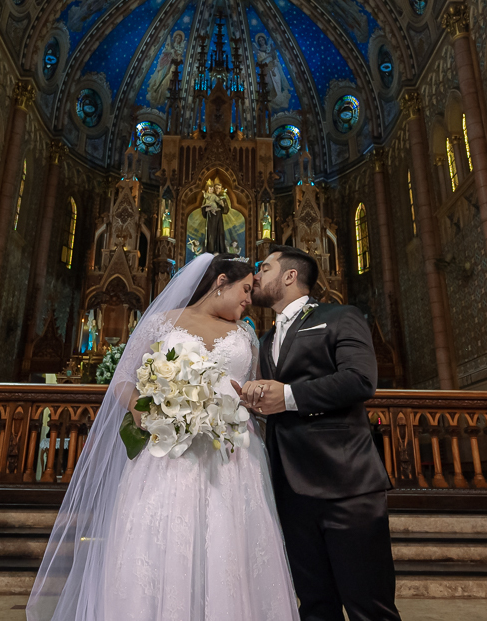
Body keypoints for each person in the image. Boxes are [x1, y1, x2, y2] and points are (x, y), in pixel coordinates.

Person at [26, 253, 299, 621]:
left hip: (230, 456)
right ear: (220, 282)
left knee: (228, 548)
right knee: (162, 544)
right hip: (168, 455)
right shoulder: (161, 323)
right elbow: (124, 378)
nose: (249, 299)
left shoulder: (245, 334)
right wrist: (142, 410)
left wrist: (252, 399)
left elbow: (249, 387)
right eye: (245, 289)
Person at [241, 245, 400, 621]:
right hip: (291, 491)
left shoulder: (340, 316)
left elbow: (360, 380)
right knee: (314, 606)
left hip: (345, 484)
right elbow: (276, 403)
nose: (256, 276)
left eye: (264, 268)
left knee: (369, 606)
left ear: (290, 276)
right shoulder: (264, 342)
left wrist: (289, 396)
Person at [202, 181, 230, 254]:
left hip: (218, 217)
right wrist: (207, 209)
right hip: (211, 217)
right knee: (211, 234)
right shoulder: (209, 196)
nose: (217, 189)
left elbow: (226, 210)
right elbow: (203, 208)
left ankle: (220, 251)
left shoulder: (223, 198)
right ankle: (210, 251)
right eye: (216, 188)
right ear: (214, 188)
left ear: (221, 189)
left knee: (219, 233)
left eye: (219, 188)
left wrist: (223, 205)